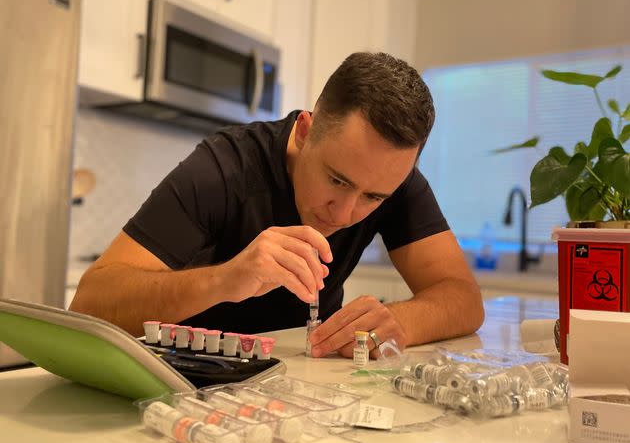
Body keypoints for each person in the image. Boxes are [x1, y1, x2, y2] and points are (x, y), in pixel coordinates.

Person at [70, 52, 484, 359]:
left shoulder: (394, 179)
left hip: (309, 386)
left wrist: (400, 322)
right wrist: (224, 280)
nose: (343, 215)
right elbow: (90, 304)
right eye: (337, 180)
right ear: (305, 132)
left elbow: (463, 298)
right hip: (189, 383)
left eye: (373, 198)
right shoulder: (223, 168)